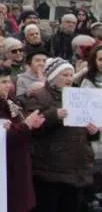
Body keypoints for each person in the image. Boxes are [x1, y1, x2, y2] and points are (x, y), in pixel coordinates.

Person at [26, 57, 100, 212]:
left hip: (76, 166)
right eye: (64, 75)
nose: (69, 79)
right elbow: (31, 127)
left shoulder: (79, 96)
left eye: (71, 75)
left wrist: (93, 132)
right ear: (53, 76)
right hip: (50, 168)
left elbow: (84, 130)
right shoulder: (39, 96)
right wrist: (55, 115)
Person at [0, 66, 45, 212]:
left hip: (19, 164)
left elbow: (17, 129)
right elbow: (0, 138)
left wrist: (32, 126)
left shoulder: (11, 103)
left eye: (9, 81)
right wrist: (26, 125)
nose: (9, 85)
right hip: (5, 168)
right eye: (3, 82)